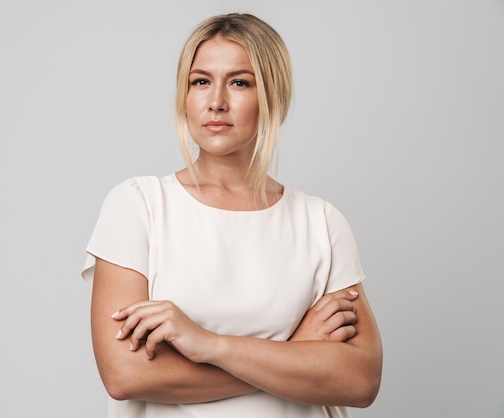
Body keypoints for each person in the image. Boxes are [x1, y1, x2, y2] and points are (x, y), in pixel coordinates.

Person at [82, 12, 382, 418]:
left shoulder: (321, 223)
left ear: (273, 96)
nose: (216, 101)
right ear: (184, 96)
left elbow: (360, 380)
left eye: (240, 82)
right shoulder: (138, 206)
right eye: (200, 81)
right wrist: (292, 353)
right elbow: (125, 375)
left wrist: (210, 345)